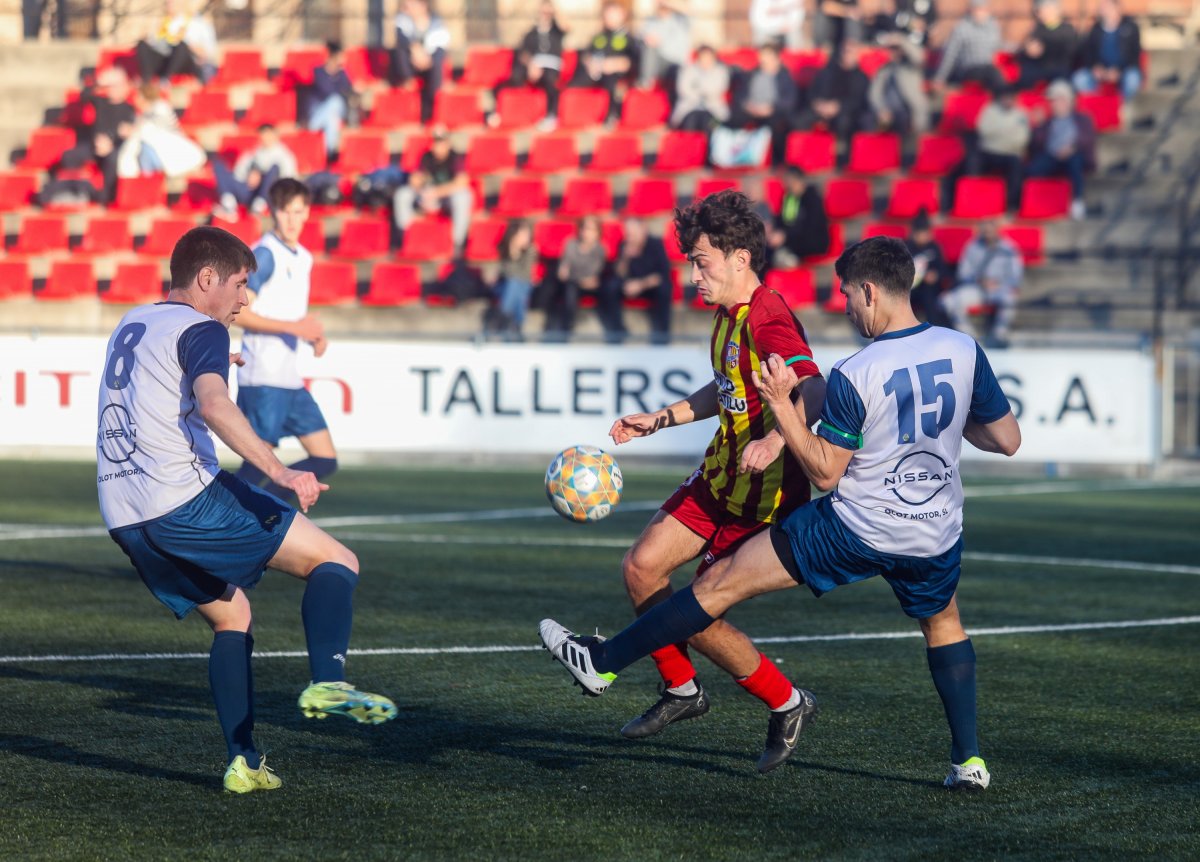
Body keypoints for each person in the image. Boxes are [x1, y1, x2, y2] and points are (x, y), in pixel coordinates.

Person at [540, 234, 1021, 790]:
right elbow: (1005, 439)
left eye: (846, 295)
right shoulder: (962, 348)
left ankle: (604, 662)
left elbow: (823, 473)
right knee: (943, 625)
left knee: (719, 583)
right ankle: (970, 764)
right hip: (934, 531)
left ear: (870, 291)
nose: (844, 306)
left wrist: (779, 416)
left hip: (856, 528)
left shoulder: (856, 371)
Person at [96, 226, 397, 793]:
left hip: (124, 513)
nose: (244, 298)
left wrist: (214, 356)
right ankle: (330, 681)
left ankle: (244, 761)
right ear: (207, 278)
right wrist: (281, 471)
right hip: (183, 498)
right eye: (239, 284)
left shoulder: (135, 319)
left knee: (233, 618)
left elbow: (160, 381)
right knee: (336, 560)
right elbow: (213, 403)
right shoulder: (202, 327)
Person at [545, 191, 827, 770]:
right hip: (719, 473)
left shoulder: (768, 316)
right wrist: (661, 417)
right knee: (641, 567)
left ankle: (787, 701)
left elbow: (815, 386)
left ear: (740, 258)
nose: (693, 275)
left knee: (698, 612)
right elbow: (723, 388)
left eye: (702, 261)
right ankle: (681, 690)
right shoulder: (728, 315)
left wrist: (776, 440)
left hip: (762, 497)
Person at [232, 179, 338, 502]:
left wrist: (311, 337)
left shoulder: (303, 257)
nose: (292, 220)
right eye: (285, 212)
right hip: (262, 375)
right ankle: (221, 520)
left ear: (307, 213)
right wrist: (296, 329)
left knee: (325, 459)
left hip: (289, 379)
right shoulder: (265, 253)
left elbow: (289, 314)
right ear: (274, 212)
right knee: (258, 466)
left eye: (299, 211)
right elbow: (239, 313)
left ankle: (262, 513)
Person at [939, 217, 1023, 346]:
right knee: (948, 301)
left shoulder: (1009, 248)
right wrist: (979, 280)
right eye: (985, 231)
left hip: (999, 288)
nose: (988, 233)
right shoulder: (972, 246)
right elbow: (963, 273)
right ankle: (971, 339)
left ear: (997, 230)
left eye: (991, 230)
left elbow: (1016, 276)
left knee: (1010, 298)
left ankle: (999, 336)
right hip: (976, 287)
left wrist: (998, 283)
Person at [59, 66, 136, 205]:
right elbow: (84, 96)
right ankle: (73, 191)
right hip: (94, 146)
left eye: (116, 86)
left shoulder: (129, 109)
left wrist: (109, 143)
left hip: (113, 147)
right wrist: (98, 82)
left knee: (113, 159)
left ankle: (105, 199)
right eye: (111, 86)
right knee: (69, 156)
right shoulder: (100, 102)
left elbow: (126, 132)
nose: (113, 89)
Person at [392, 127, 472, 253]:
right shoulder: (427, 157)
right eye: (436, 142)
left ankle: (457, 243)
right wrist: (421, 184)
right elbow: (414, 180)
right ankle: (405, 236)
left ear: (447, 143)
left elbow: (462, 182)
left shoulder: (455, 157)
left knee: (463, 197)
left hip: (446, 199)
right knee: (402, 194)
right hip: (427, 197)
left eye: (441, 142)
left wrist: (437, 192)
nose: (438, 146)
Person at [1027, 79, 1096, 220]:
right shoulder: (1047, 122)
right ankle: (1040, 203)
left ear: (1066, 101)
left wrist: (1072, 148)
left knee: (1075, 162)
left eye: (1055, 100)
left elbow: (1088, 139)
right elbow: (1036, 144)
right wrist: (1038, 126)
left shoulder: (1082, 119)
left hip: (1074, 154)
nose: (1052, 104)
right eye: (1051, 101)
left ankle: (1077, 202)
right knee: (1032, 169)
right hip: (1051, 156)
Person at [598, 217, 673, 344]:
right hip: (630, 285)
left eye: (633, 233)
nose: (630, 237)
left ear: (643, 230)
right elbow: (618, 273)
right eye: (628, 234)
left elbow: (662, 274)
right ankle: (617, 330)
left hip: (649, 285)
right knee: (609, 287)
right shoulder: (624, 244)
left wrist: (641, 285)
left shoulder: (655, 244)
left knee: (663, 290)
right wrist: (625, 258)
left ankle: (662, 335)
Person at [493, 1, 566, 131]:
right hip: (534, 65)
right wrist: (532, 65)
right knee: (514, 76)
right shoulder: (531, 33)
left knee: (551, 82)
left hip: (551, 67)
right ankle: (496, 112)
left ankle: (551, 115)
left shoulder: (557, 30)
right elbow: (524, 52)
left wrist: (555, 11)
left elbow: (566, 27)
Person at [726, 42, 799, 165]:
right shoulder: (752, 74)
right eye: (762, 56)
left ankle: (777, 163)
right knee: (730, 122)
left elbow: (789, 100)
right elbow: (740, 95)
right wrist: (747, 105)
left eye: (767, 56)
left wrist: (770, 108)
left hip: (773, 111)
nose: (763, 59)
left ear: (776, 58)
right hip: (751, 110)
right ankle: (732, 160)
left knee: (778, 126)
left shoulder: (784, 76)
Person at [795, 41, 874, 152]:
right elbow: (812, 92)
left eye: (850, 52)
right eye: (845, 51)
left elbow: (859, 101)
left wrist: (838, 107)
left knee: (844, 122)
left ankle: (840, 155)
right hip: (821, 107)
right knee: (799, 120)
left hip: (845, 111)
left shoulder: (861, 77)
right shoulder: (826, 71)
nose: (847, 54)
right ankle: (805, 154)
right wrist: (818, 104)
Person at [542, 214, 608, 341]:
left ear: (597, 232)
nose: (586, 232)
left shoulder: (600, 250)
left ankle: (565, 332)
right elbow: (564, 268)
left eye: (591, 229)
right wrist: (568, 272)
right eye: (585, 228)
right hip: (570, 284)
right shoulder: (571, 244)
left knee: (571, 289)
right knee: (558, 286)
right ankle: (556, 330)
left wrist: (572, 276)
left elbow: (592, 276)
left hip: (589, 287)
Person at [966, 84, 1030, 211]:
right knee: (972, 161)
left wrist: (999, 133)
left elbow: (1022, 139)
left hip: (1010, 153)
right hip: (989, 151)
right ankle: (971, 199)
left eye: (1011, 98)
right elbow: (983, 130)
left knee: (1016, 166)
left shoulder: (1022, 114)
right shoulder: (990, 110)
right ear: (1001, 98)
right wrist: (1007, 132)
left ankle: (1011, 206)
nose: (1009, 101)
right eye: (1006, 97)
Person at [570, 0, 637, 124]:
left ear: (622, 15)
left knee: (613, 82)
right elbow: (586, 54)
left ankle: (612, 116)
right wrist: (590, 63)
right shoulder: (600, 36)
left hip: (615, 75)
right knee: (576, 80)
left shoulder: (629, 38)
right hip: (595, 72)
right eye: (607, 14)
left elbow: (633, 61)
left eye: (612, 14)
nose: (609, 18)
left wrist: (615, 64)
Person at [212, 125, 298, 220]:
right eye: (263, 135)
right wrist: (251, 173)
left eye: (268, 134)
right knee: (218, 165)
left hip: (267, 194)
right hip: (249, 191)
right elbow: (238, 174)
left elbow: (287, 181)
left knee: (274, 169)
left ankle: (258, 207)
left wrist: (262, 176)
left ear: (275, 135)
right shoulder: (253, 152)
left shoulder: (284, 156)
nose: (265, 138)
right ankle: (229, 206)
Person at [391, 0, 450, 123]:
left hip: (428, 64)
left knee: (437, 63)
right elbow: (402, 38)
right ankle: (407, 80)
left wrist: (427, 59)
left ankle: (431, 109)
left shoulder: (436, 23)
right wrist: (414, 49)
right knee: (400, 50)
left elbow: (440, 47)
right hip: (410, 64)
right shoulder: (404, 20)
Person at [1073, 0, 1142, 101]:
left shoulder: (1131, 28)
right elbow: (1088, 53)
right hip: (1101, 71)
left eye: (1107, 7)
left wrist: (1119, 71)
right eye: (1102, 7)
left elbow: (1135, 55)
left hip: (1124, 70)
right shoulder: (1095, 29)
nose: (1103, 10)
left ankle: (1122, 110)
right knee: (1079, 79)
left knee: (1132, 81)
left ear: (1117, 9)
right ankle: (1097, 107)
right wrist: (1095, 67)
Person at [135, 0, 218, 84]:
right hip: (165, 59)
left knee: (181, 46)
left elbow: (210, 53)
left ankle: (165, 80)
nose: (168, 4)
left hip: (187, 62)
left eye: (172, 2)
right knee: (142, 44)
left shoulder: (198, 24)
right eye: (167, 2)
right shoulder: (163, 23)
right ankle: (146, 80)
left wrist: (192, 48)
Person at [868, 32, 930, 141]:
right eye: (892, 49)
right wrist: (881, 109)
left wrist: (902, 41)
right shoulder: (884, 70)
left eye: (897, 49)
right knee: (868, 121)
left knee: (904, 124)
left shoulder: (910, 67)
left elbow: (920, 57)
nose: (894, 52)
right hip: (888, 111)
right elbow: (874, 93)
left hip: (909, 110)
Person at [483, 218, 537, 341]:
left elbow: (524, 274)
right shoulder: (503, 248)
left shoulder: (531, 250)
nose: (526, 237)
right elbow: (498, 272)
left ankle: (504, 319)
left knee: (515, 286)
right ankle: (517, 326)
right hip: (502, 286)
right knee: (514, 287)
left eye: (527, 234)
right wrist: (512, 250)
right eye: (523, 234)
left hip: (522, 285)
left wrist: (513, 256)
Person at [767, 166, 830, 268]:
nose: (785, 185)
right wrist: (773, 228)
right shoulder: (788, 198)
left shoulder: (812, 199)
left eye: (788, 181)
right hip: (792, 240)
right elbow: (783, 220)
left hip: (811, 242)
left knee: (773, 254)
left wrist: (785, 236)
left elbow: (809, 227)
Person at [933, 0, 1002, 91]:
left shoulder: (992, 27)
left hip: (987, 68)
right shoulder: (962, 28)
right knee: (991, 73)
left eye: (983, 9)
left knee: (994, 72)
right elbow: (950, 55)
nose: (980, 13)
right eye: (977, 9)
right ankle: (1004, 97)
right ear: (971, 10)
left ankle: (1005, 98)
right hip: (967, 69)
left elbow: (998, 47)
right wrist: (940, 78)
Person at [307, 41, 359, 159]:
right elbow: (327, 91)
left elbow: (348, 91)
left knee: (332, 116)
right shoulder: (318, 72)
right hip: (318, 114)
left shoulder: (342, 74)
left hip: (336, 112)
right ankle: (331, 152)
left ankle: (330, 152)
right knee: (333, 110)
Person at [1015, 0, 1077, 90]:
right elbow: (1022, 53)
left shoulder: (1067, 30)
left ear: (1055, 10)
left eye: (1043, 10)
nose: (1040, 14)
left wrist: (1043, 50)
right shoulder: (1037, 29)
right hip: (1039, 69)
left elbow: (1071, 54)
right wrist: (1028, 50)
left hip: (1059, 70)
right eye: (1039, 11)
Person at [906, 208, 952, 325]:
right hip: (910, 288)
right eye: (919, 234)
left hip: (929, 288)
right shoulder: (906, 248)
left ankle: (936, 328)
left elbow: (943, 270)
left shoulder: (934, 247)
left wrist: (935, 275)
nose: (923, 237)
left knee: (930, 297)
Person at [670, 45, 731, 131]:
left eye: (708, 57)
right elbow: (683, 89)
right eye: (703, 57)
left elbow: (719, 89)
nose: (705, 60)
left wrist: (699, 90)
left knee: (712, 127)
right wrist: (700, 94)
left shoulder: (721, 71)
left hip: (714, 109)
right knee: (690, 124)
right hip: (690, 107)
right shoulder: (688, 70)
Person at [637, 0, 692, 90]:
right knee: (649, 49)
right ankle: (645, 83)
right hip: (658, 65)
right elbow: (639, 39)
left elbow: (689, 11)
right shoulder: (650, 21)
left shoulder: (681, 20)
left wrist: (667, 2)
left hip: (677, 65)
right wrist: (647, 41)